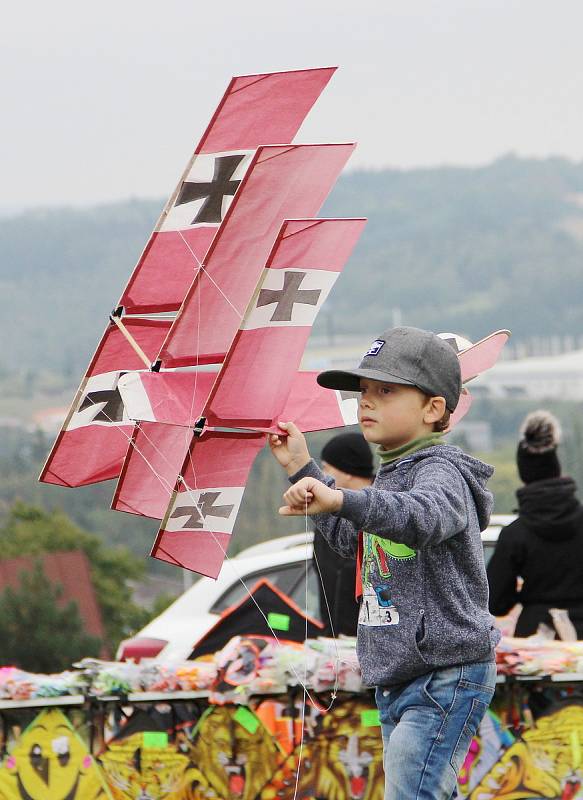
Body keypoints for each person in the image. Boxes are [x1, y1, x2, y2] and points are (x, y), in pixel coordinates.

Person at [269, 326, 499, 800]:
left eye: (385, 391)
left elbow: (420, 518)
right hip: (399, 677)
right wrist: (301, 468)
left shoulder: (443, 472)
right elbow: (351, 540)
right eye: (364, 392)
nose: (366, 402)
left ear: (434, 409)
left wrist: (341, 498)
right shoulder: (392, 476)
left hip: (444, 673)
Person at [487, 410, 583, 639]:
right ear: (557, 468)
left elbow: (496, 602)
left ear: (524, 475)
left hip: (538, 640)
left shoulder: (515, 534)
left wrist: (526, 595)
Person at [315, 432, 374, 636]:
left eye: (326, 468)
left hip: (373, 643)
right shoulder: (328, 518)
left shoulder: (384, 515)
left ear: (347, 470)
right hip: (334, 643)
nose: (323, 476)